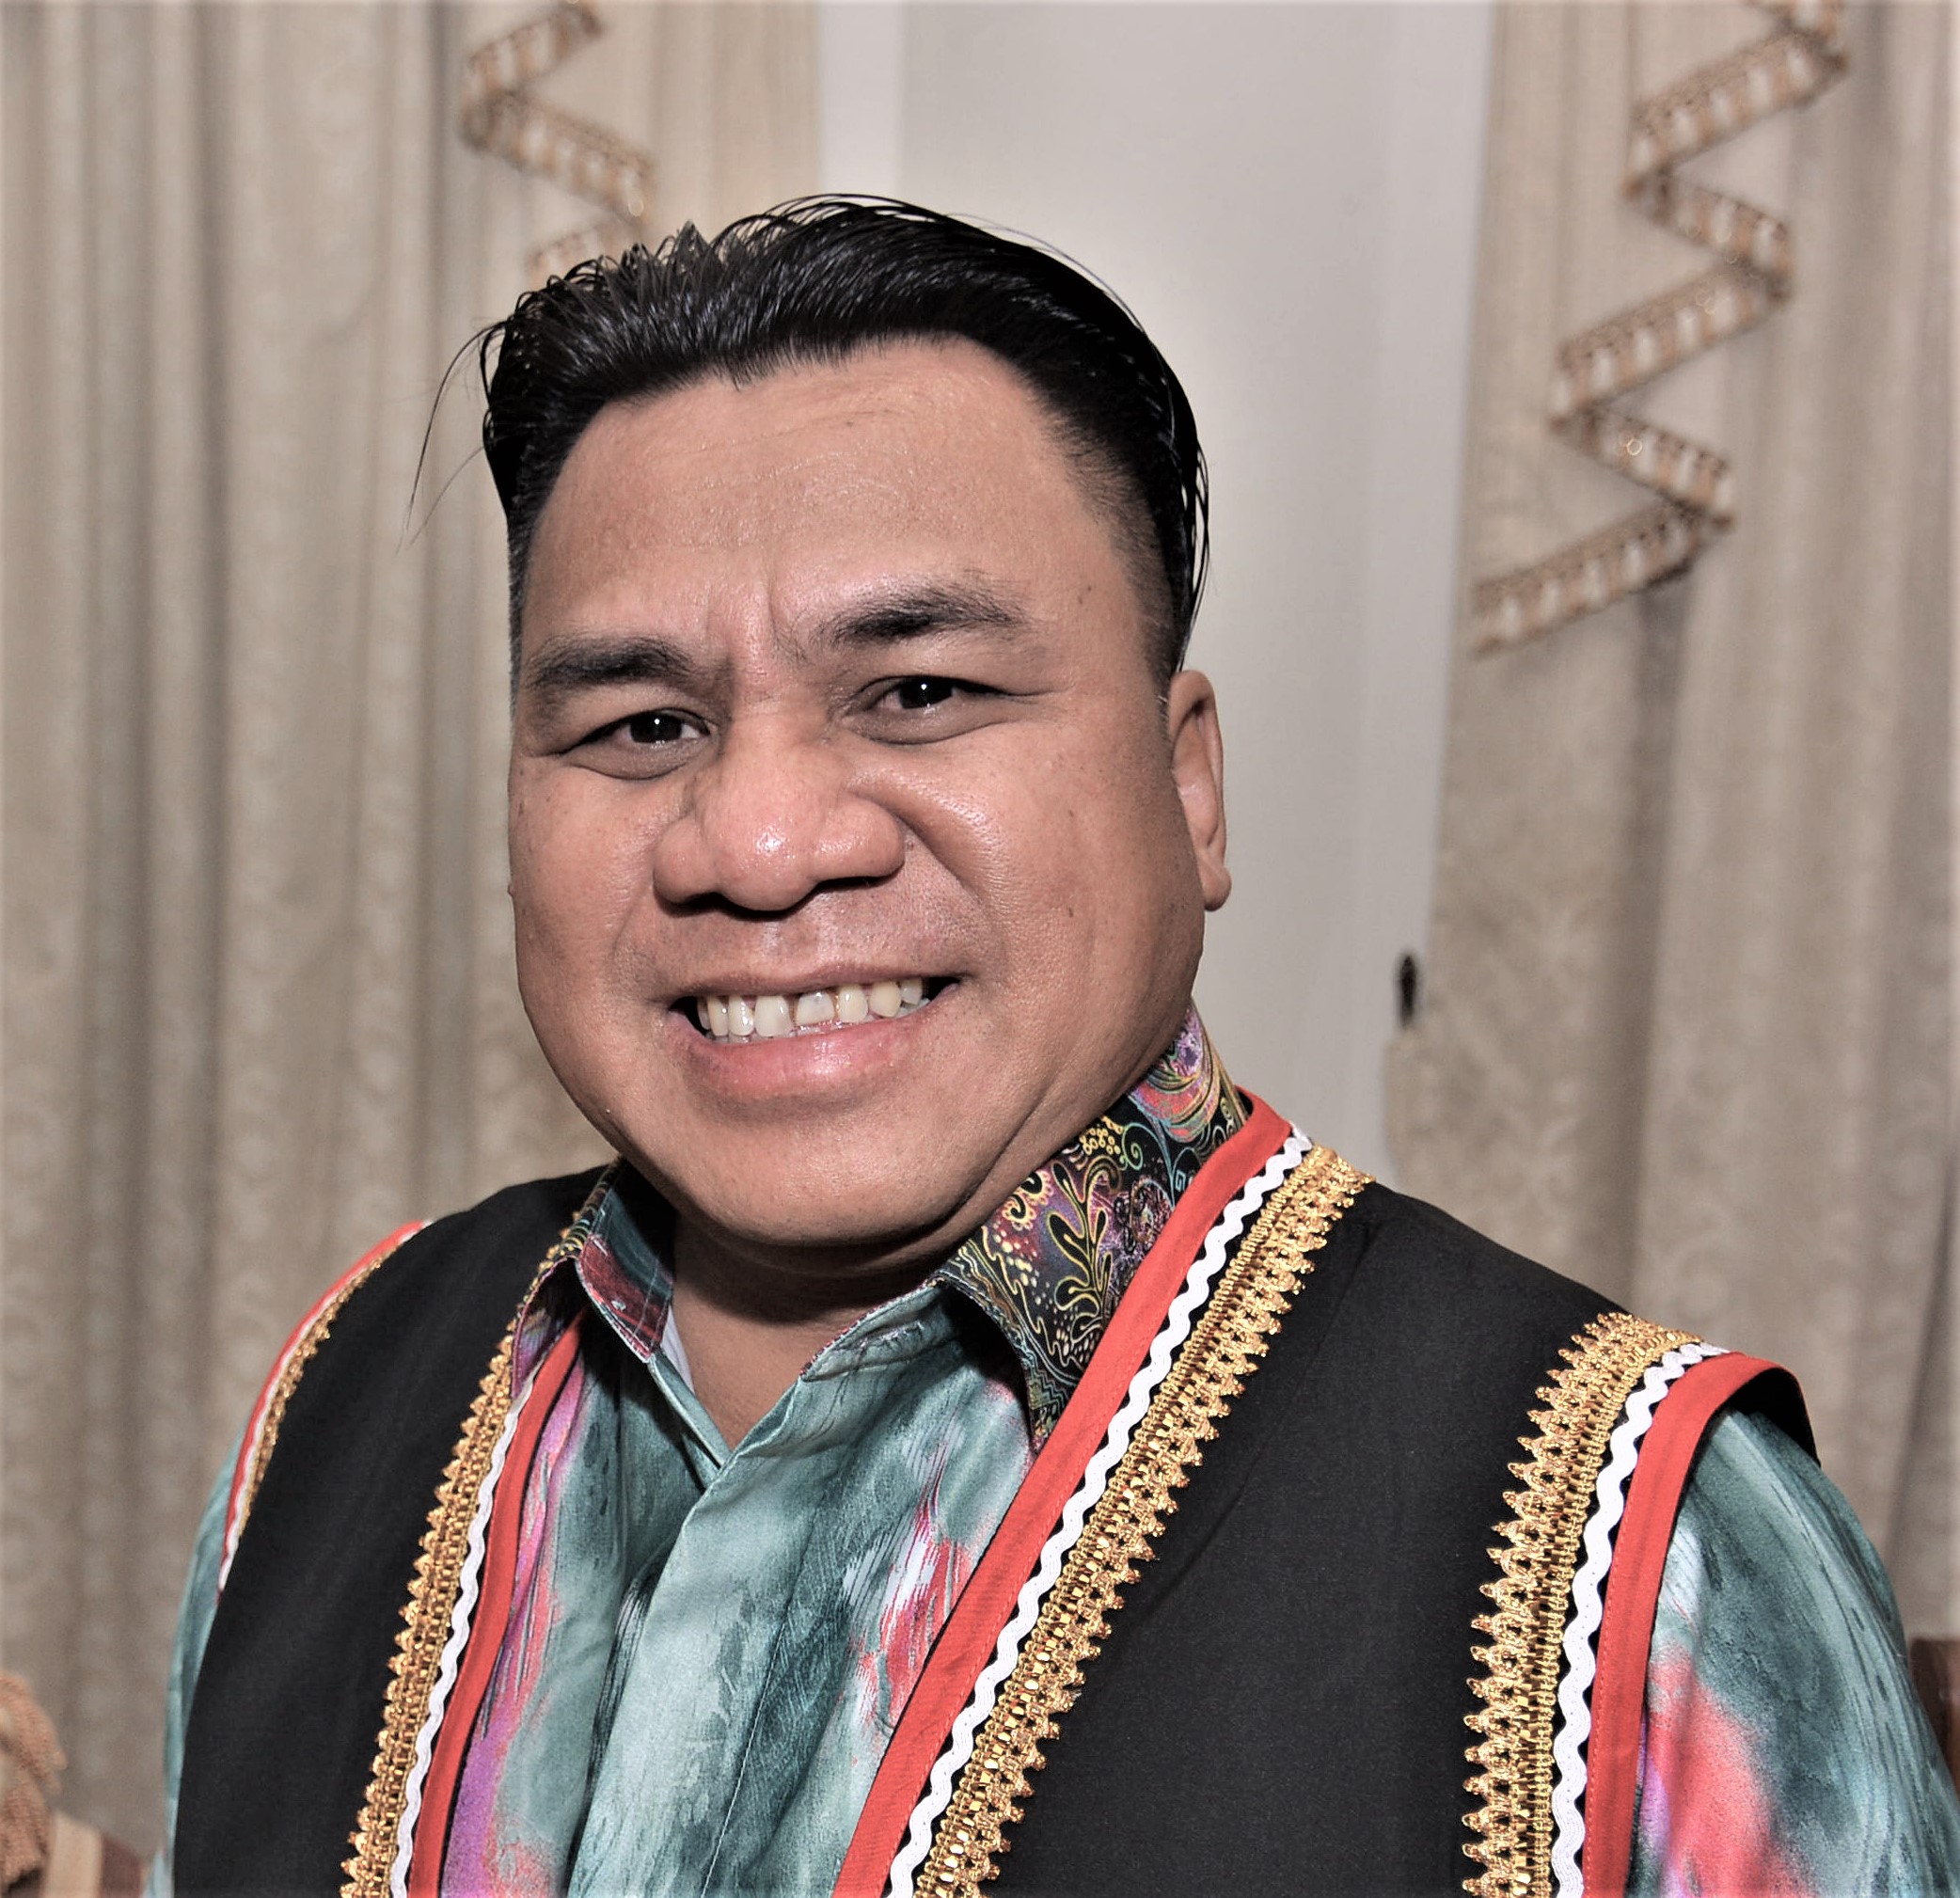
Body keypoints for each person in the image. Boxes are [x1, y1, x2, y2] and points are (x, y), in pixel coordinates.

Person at [153, 199, 1960, 1898]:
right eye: (642, 724)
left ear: (1190, 786)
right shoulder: (341, 1396)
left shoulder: (1644, 1567)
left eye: (920, 692)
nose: (757, 842)